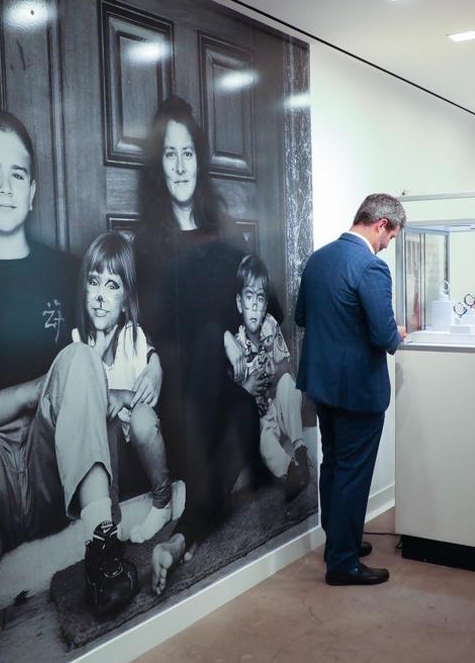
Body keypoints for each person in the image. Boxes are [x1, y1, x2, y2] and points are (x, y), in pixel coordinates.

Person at [0, 107, 152, 618]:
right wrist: (30, 391)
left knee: (77, 356)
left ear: (31, 192)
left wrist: (129, 382)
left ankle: (101, 547)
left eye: (17, 174)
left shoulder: (69, 270)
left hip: (54, 462)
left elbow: (90, 367)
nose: (5, 187)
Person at [135, 97, 287, 596]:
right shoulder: (149, 242)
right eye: (169, 155)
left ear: (200, 160)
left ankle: (180, 539)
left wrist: (243, 334)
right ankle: (193, 521)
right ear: (159, 165)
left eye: (188, 154)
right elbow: (160, 326)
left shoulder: (222, 235)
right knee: (205, 347)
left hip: (225, 383)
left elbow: (267, 301)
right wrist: (220, 334)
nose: (180, 166)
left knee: (244, 414)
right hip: (180, 389)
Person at [295, 193, 405, 587]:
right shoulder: (371, 268)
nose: (387, 245)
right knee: (354, 473)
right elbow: (383, 335)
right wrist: (398, 333)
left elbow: (302, 317)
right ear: (381, 225)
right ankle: (343, 563)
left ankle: (337, 543)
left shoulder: (318, 259)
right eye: (390, 236)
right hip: (358, 390)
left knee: (334, 465)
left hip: (322, 385)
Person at [72, 232, 174, 543]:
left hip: (142, 450)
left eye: (112, 285)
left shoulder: (134, 336)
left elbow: (150, 398)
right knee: (105, 422)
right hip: (108, 457)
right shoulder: (80, 342)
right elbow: (82, 404)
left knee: (141, 417)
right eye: (94, 282)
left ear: (126, 300)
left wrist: (125, 396)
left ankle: (163, 501)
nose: (100, 296)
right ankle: (108, 523)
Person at [223, 254, 310, 500]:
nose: (255, 306)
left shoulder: (270, 325)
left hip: (279, 409)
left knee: (288, 385)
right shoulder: (235, 345)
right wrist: (248, 388)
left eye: (260, 298)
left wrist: (276, 370)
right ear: (239, 303)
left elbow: (288, 367)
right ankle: (291, 472)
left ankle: (300, 447)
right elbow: (233, 399)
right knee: (261, 436)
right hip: (260, 419)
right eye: (249, 297)